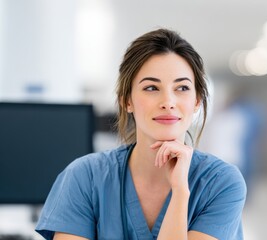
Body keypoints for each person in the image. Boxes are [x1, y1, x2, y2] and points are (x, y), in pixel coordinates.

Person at [35, 28, 247, 240]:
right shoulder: (84, 177)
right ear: (127, 101)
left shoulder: (221, 183)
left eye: (182, 88)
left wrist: (180, 193)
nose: (168, 102)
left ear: (197, 101)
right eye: (152, 88)